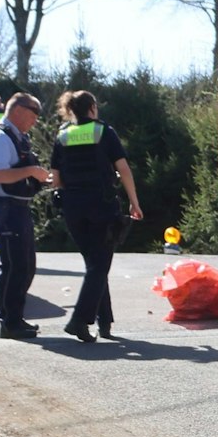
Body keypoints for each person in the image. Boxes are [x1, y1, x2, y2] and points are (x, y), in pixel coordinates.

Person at [47, 90, 141, 342]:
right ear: (92, 108)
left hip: (73, 208)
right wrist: (134, 202)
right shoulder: (103, 131)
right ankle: (79, 320)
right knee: (99, 266)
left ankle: (105, 321)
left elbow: (55, 176)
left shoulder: (63, 135)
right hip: (101, 205)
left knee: (95, 266)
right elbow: (123, 168)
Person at [0, 92, 48, 339]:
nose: (35, 121)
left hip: (15, 207)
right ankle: (9, 322)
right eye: (33, 115)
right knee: (14, 266)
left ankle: (15, 319)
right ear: (18, 110)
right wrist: (31, 170)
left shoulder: (17, 138)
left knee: (25, 265)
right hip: (3, 207)